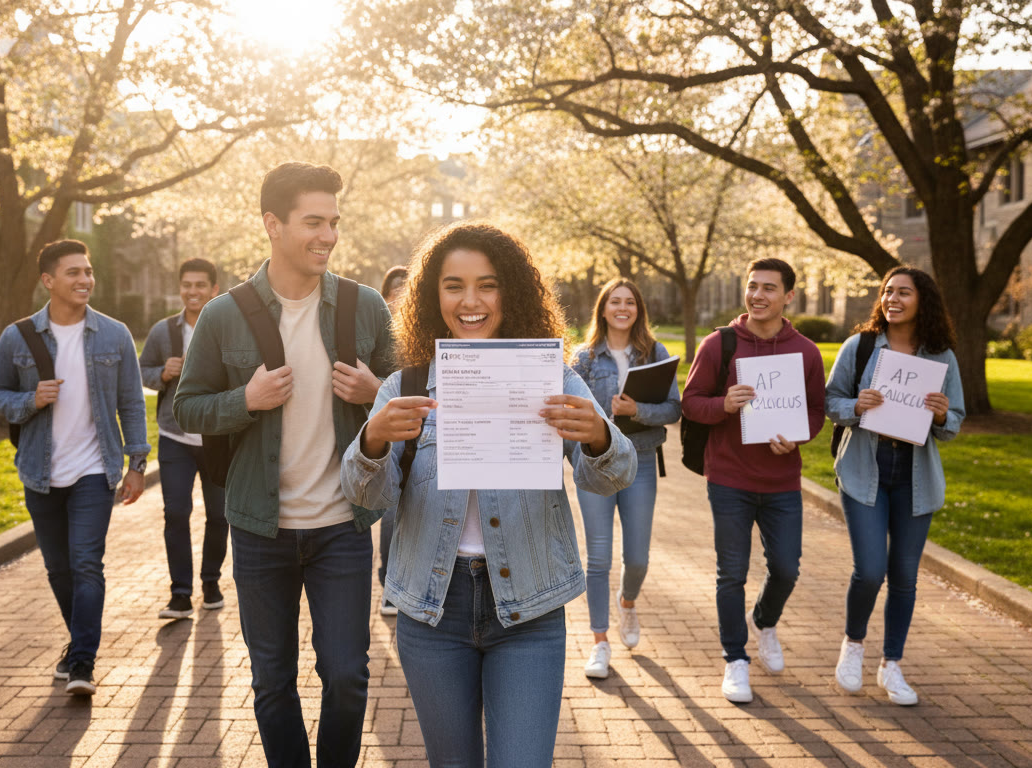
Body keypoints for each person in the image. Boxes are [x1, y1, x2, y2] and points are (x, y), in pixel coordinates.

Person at [341, 222, 637, 768]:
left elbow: (611, 477)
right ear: (434, 296)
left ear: (513, 292)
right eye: (454, 285)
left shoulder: (555, 377)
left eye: (488, 284)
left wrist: (597, 436)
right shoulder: (404, 385)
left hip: (528, 609)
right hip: (433, 612)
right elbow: (368, 499)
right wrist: (372, 441)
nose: (470, 300)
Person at [172, 162, 394, 768]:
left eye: (334, 223)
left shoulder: (364, 307)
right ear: (272, 224)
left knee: (347, 676)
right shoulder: (225, 314)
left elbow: (413, 398)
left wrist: (378, 392)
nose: (328, 236)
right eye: (313, 222)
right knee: (272, 682)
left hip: (342, 526)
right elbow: (184, 407)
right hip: (259, 528)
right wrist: (244, 400)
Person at [0, 239, 149, 697]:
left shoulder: (114, 335)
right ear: (48, 281)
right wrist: (30, 400)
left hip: (95, 470)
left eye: (89, 271)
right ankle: (78, 642)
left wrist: (138, 462)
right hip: (40, 471)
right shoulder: (19, 337)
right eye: (74, 272)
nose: (85, 280)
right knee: (58, 568)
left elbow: (131, 402)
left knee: (86, 563)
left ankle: (81, 662)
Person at [680, 257, 826, 704]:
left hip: (782, 479)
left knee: (786, 568)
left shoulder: (805, 352)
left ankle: (763, 621)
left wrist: (798, 436)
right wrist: (723, 405)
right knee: (732, 572)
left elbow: (816, 411)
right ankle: (735, 660)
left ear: (788, 297)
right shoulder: (719, 344)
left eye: (768, 288)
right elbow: (690, 403)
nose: (758, 295)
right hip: (728, 477)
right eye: (752, 286)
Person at [826, 266, 965, 706]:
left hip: (914, 474)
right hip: (865, 468)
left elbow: (953, 423)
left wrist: (942, 415)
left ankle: (892, 665)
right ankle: (852, 645)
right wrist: (856, 405)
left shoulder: (940, 357)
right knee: (869, 570)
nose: (893, 299)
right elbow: (830, 402)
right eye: (888, 291)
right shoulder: (861, 346)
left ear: (922, 300)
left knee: (904, 576)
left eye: (904, 292)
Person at [570, 278, 680, 678]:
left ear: (638, 309)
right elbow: (569, 411)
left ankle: (628, 603)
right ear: (603, 309)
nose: (622, 307)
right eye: (614, 301)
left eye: (629, 302)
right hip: (595, 464)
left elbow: (673, 409)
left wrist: (637, 411)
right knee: (597, 557)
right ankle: (600, 641)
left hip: (642, 461)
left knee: (637, 557)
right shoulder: (582, 359)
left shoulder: (655, 353)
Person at [139, 257, 228, 619]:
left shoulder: (227, 327)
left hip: (217, 436)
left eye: (200, 285)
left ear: (214, 289)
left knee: (219, 515)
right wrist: (162, 372)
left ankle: (210, 581)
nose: (193, 291)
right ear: (180, 288)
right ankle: (180, 592)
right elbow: (142, 372)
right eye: (187, 285)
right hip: (174, 435)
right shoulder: (164, 332)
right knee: (176, 512)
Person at [375, 264, 408, 617]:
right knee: (390, 507)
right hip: (388, 426)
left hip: (421, 425)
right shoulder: (381, 334)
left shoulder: (426, 329)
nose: (399, 296)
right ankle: (388, 583)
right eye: (394, 290)